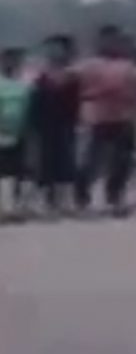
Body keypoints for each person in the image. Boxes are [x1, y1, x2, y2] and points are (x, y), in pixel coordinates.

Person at [77, 25, 136, 217]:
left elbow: (133, 94)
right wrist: (100, 92)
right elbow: (82, 93)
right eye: (107, 39)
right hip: (96, 118)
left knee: (122, 161)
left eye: (114, 39)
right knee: (89, 161)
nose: (111, 43)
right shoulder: (89, 66)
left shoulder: (128, 66)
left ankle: (115, 197)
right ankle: (83, 199)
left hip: (122, 118)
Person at [26, 35, 82, 217]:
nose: (54, 53)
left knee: (65, 164)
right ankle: (44, 203)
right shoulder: (40, 78)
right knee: (44, 164)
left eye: (58, 49)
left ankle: (64, 203)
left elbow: (77, 103)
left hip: (66, 125)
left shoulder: (73, 77)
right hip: (43, 127)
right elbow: (34, 102)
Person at [0, 48, 30, 222]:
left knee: (18, 173)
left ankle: (14, 208)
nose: (12, 64)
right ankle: (4, 209)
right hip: (1, 132)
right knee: (3, 173)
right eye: (8, 60)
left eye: (16, 60)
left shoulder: (24, 84)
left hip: (21, 133)